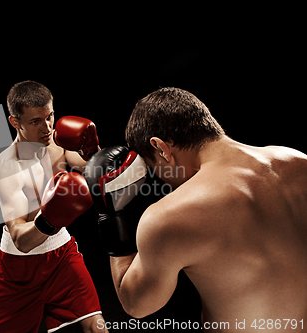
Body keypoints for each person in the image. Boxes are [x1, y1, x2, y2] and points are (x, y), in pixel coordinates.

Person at [86, 87, 307, 332]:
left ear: (160, 148)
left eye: (153, 167)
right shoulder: (299, 162)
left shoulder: (170, 215)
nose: (161, 179)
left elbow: (136, 304)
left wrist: (111, 213)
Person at [0, 81, 108, 333]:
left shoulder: (57, 143)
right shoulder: (7, 168)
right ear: (15, 122)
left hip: (62, 255)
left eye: (50, 117)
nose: (47, 128)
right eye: (35, 121)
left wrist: (94, 152)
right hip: (18, 268)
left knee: (96, 327)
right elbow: (21, 239)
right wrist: (51, 219)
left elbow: (95, 172)